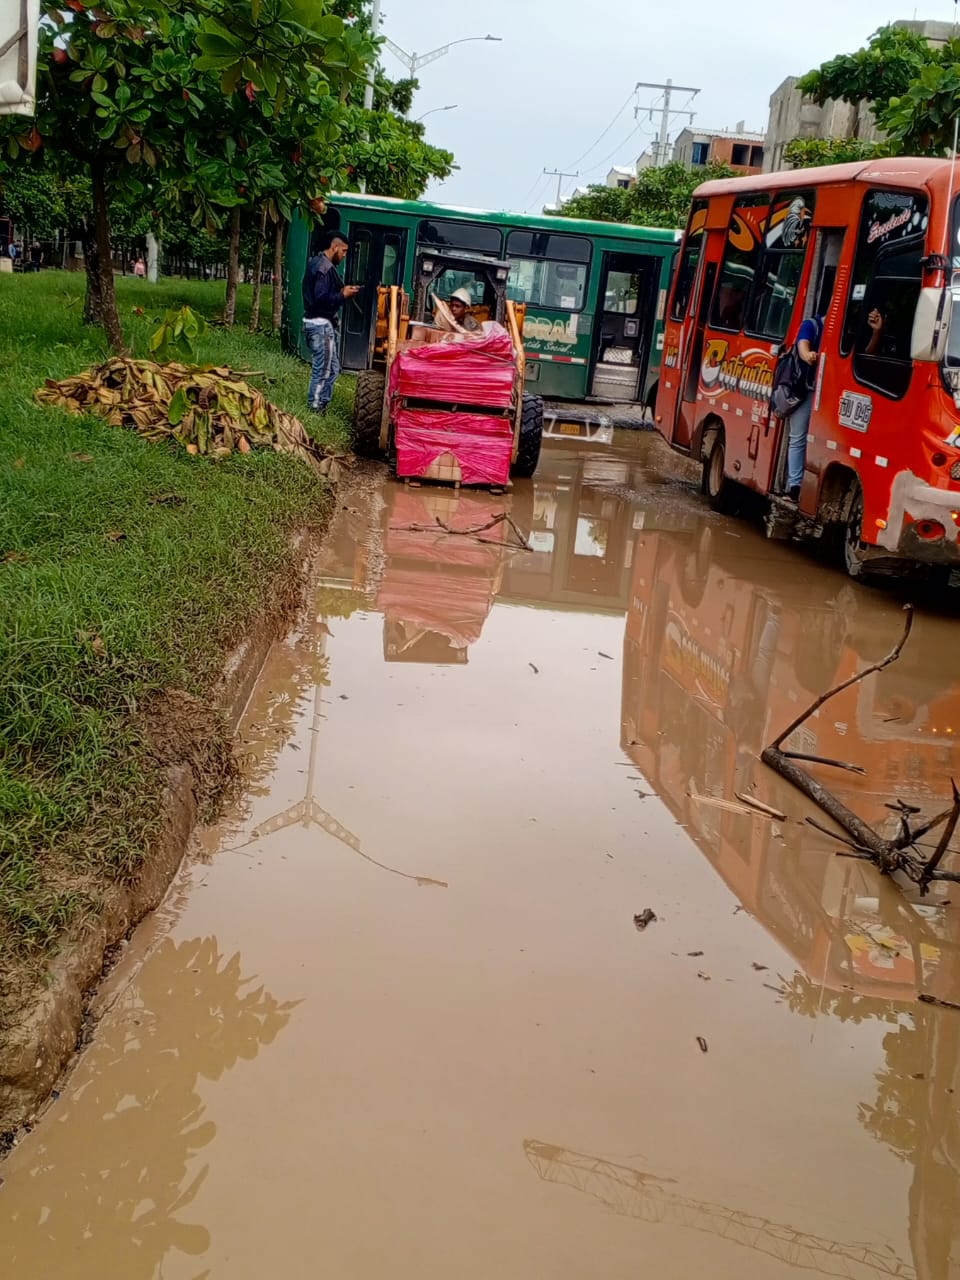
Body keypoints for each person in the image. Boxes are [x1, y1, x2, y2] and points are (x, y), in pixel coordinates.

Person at [301, 230, 360, 414]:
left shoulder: (318, 263)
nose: (344, 255)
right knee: (323, 370)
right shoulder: (324, 268)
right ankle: (315, 407)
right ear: (334, 247)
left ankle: (322, 404)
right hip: (320, 325)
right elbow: (321, 299)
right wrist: (343, 294)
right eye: (343, 251)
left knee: (333, 369)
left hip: (320, 324)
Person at [785, 313, 824, 503]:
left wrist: (876, 332)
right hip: (807, 391)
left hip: (830, 394)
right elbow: (803, 346)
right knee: (798, 436)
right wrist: (809, 355)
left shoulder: (849, 331)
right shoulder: (812, 325)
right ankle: (795, 487)